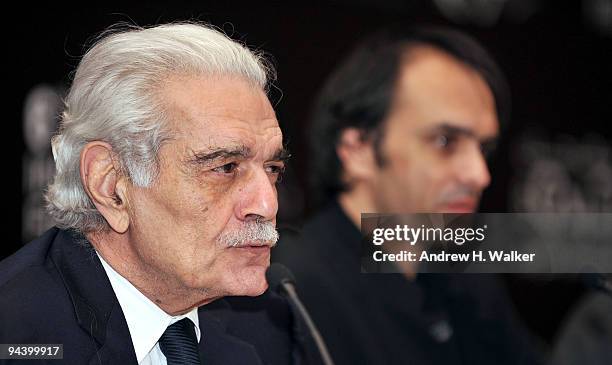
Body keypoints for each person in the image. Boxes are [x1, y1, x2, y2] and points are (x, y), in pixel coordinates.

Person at [0, 22, 296, 364]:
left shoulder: (267, 326)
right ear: (110, 185)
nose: (266, 203)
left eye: (273, 169)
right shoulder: (17, 336)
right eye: (225, 168)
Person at [273, 27, 541, 364]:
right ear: (359, 150)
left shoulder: (471, 282)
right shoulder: (291, 292)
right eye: (445, 142)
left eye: (484, 148)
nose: (479, 175)